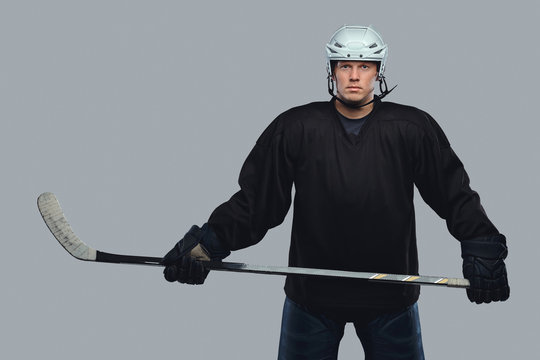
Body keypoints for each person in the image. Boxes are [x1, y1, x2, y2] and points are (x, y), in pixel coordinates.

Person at [162, 25, 510, 360]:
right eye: (345, 65)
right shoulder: (295, 126)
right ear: (332, 70)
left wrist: (483, 249)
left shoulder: (412, 127)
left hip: (391, 300)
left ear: (378, 71)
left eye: (364, 66)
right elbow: (257, 203)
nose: (354, 76)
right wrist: (207, 243)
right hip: (311, 300)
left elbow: (454, 194)